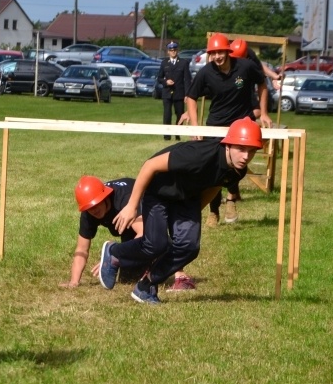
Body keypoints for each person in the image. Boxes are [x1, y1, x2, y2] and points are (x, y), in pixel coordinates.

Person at [98, 118, 263, 304]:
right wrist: (132, 205)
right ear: (228, 145)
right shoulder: (198, 154)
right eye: (241, 149)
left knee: (189, 247)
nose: (245, 156)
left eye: (251, 151)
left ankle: (146, 286)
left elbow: (214, 187)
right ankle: (114, 253)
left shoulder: (237, 170)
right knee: (156, 244)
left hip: (187, 198)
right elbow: (150, 165)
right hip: (160, 191)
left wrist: (192, 215)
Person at [182, 33, 271, 227]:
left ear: (228, 51)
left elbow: (262, 83)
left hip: (241, 125)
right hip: (216, 125)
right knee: (215, 168)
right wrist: (196, 126)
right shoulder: (206, 72)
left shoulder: (245, 67)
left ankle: (231, 199)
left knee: (237, 165)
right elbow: (191, 97)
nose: (217, 57)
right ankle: (213, 211)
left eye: (220, 52)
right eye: (213, 53)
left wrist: (263, 113)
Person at [60, 176, 196, 291]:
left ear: (104, 196)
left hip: (151, 211)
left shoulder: (123, 199)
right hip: (128, 228)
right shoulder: (88, 212)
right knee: (128, 279)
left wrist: (115, 255)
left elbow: (145, 234)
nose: (94, 210)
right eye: (90, 208)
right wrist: (74, 282)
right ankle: (147, 266)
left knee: (158, 240)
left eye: (96, 204)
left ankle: (180, 275)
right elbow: (82, 249)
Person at [157, 41, 192, 141]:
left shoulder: (183, 63)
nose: (173, 52)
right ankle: (167, 136)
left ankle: (177, 134)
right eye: (171, 50)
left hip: (179, 93)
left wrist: (187, 94)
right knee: (167, 114)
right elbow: (159, 78)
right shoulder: (164, 63)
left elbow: (187, 79)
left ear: (177, 51)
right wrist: (165, 82)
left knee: (179, 114)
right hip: (167, 93)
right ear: (168, 52)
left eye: (175, 50)